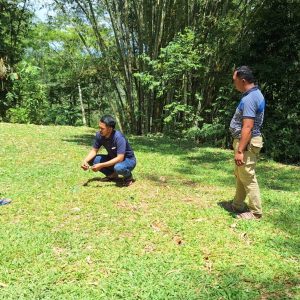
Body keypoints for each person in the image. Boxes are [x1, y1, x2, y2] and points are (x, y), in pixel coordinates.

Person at [229, 66, 265, 219]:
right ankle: (237, 204)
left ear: (242, 80)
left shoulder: (250, 98)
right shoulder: (254, 94)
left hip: (247, 143)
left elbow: (248, 127)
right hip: (247, 143)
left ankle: (256, 212)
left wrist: (240, 151)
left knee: (248, 176)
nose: (234, 84)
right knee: (241, 174)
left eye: (234, 80)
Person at [81, 115, 136, 186]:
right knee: (91, 159)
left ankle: (128, 177)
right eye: (99, 127)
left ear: (110, 129)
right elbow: (94, 151)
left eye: (102, 128)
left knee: (118, 167)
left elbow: (120, 158)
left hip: (128, 160)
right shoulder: (99, 135)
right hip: (113, 159)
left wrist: (101, 165)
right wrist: (85, 161)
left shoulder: (119, 137)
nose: (100, 130)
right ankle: (112, 175)